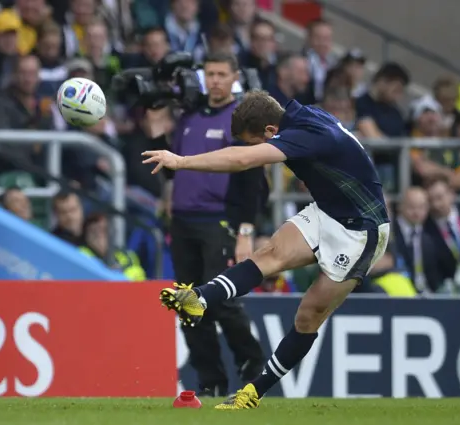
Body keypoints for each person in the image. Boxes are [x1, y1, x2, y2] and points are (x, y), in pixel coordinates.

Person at [142, 89, 390, 409]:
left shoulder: (305, 134)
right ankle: (200, 298)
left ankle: (253, 392)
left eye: (255, 141)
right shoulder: (297, 116)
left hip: (362, 230)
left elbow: (242, 160)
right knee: (269, 254)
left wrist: (181, 161)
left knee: (309, 315)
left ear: (271, 132)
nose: (254, 149)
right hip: (327, 210)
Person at [143, 51, 266, 397]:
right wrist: (156, 132)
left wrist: (245, 230)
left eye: (221, 74)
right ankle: (210, 380)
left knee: (220, 299)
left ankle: (252, 362)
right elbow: (171, 167)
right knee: (186, 302)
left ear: (234, 77)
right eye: (209, 74)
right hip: (183, 221)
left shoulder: (240, 121)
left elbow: (251, 179)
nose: (214, 80)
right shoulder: (190, 116)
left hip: (220, 221)